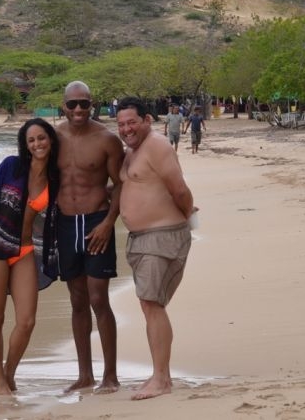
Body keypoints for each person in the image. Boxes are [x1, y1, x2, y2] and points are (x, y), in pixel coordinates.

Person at [0, 118, 60, 395]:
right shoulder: (10, 166)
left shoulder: (55, 179)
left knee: (27, 321)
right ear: (25, 144)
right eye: (31, 140)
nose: (37, 144)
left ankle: (9, 373)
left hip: (26, 250)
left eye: (41, 138)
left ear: (50, 140)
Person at [115, 97, 195, 401]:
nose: (126, 129)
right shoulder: (132, 152)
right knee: (151, 305)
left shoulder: (157, 145)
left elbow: (179, 189)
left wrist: (186, 214)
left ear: (147, 120)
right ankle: (160, 374)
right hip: (142, 239)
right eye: (121, 124)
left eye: (132, 122)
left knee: (152, 304)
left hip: (161, 236)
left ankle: (161, 379)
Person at [55, 80, 124, 394]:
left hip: (97, 222)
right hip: (66, 224)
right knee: (77, 300)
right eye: (73, 104)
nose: (79, 109)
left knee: (99, 299)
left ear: (92, 104)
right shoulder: (53, 138)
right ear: (64, 105)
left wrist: (109, 222)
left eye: (85, 103)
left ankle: (110, 376)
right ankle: (85, 375)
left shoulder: (107, 140)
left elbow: (120, 183)